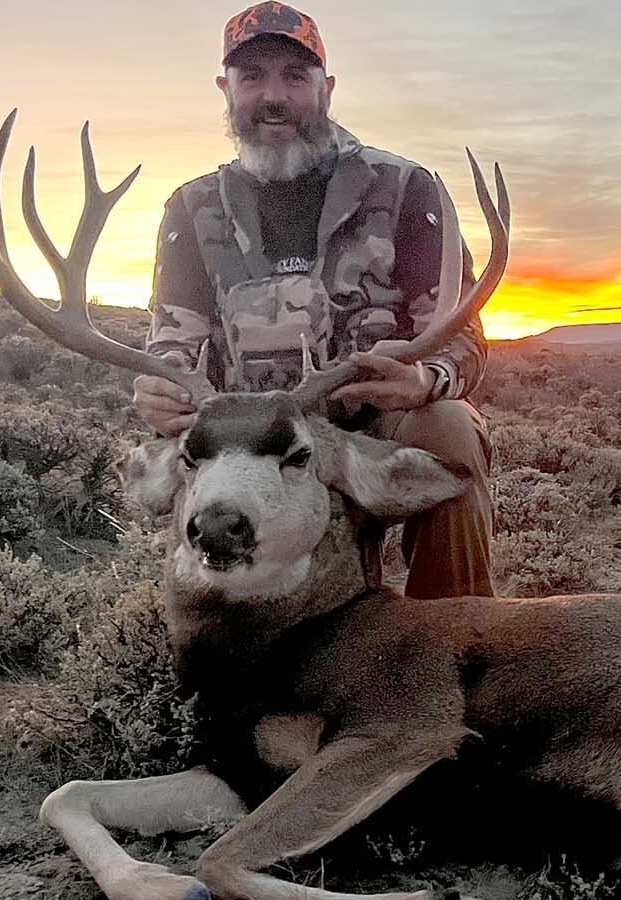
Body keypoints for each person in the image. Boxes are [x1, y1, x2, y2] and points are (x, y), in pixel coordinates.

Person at [132, 2, 494, 598]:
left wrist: (423, 379)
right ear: (226, 90)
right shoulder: (193, 208)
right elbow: (175, 338)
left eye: (295, 77)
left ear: (326, 89)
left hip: (372, 434)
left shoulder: (405, 189)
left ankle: (459, 631)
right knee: (185, 459)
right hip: (251, 443)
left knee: (448, 428)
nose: (273, 96)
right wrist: (161, 385)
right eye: (253, 77)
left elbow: (463, 337)